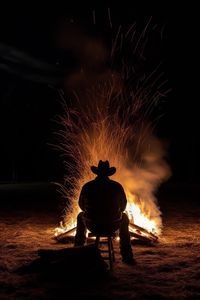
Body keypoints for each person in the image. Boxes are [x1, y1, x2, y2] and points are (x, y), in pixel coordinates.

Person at [74, 160, 135, 264]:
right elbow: (123, 207)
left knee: (80, 216)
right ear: (108, 173)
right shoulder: (117, 186)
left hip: (92, 224)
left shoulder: (87, 186)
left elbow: (81, 206)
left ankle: (78, 251)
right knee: (124, 217)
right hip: (112, 225)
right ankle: (127, 256)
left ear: (97, 173)